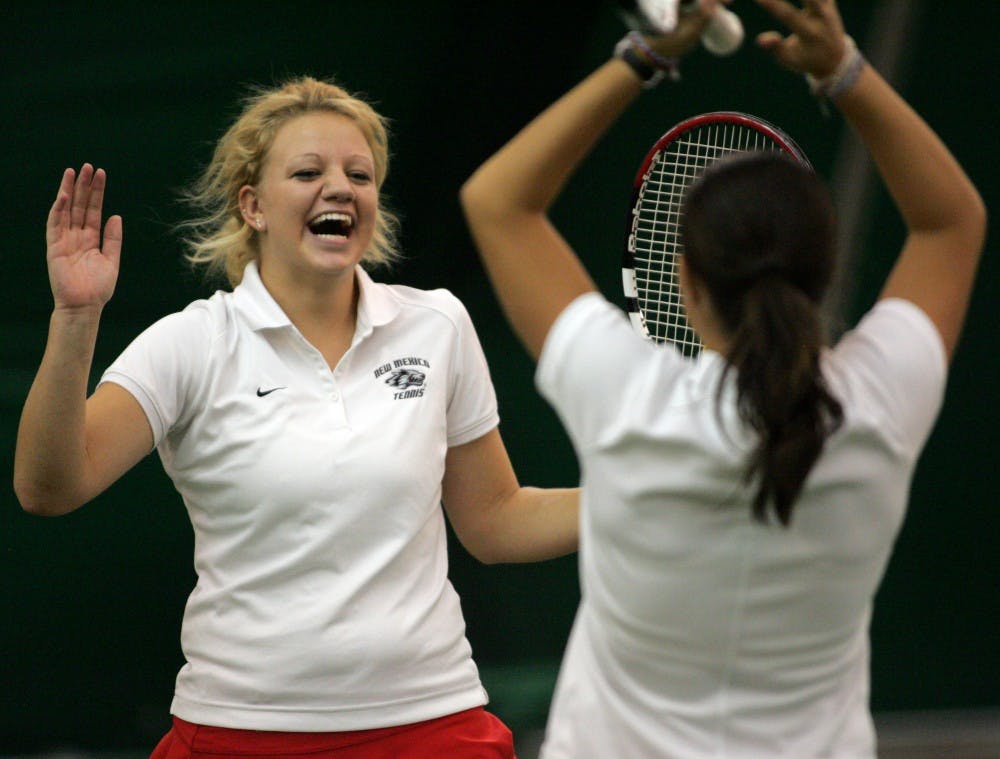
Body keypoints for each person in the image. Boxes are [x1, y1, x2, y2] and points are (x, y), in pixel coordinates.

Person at [460, 0, 986, 755]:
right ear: (828, 272)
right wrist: (845, 71)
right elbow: (952, 220)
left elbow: (499, 201)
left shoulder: (626, 399)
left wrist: (645, 55)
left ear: (685, 278)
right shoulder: (880, 402)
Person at [14, 75, 579, 758]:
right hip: (237, 730)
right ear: (252, 205)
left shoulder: (438, 325)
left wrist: (636, 497)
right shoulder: (192, 342)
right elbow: (49, 486)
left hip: (432, 723)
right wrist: (76, 317)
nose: (339, 187)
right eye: (308, 171)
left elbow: (495, 518)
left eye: (360, 174)